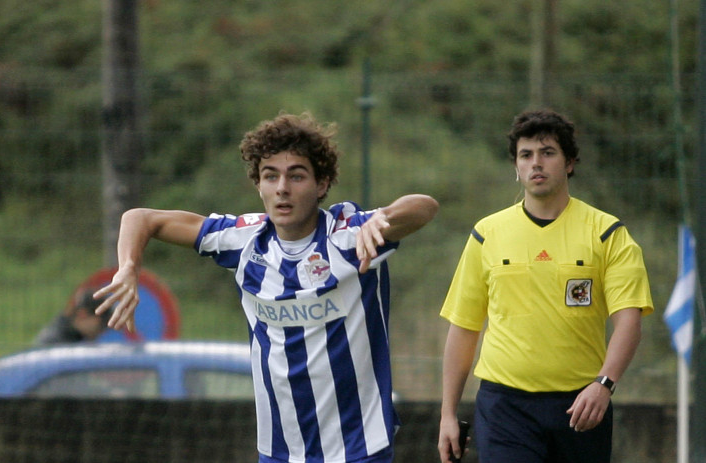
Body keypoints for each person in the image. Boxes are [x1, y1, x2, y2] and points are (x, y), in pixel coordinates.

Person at [94, 112, 439, 463]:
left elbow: (424, 207)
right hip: (280, 452)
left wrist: (385, 218)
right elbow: (140, 218)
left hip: (360, 448)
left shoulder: (350, 236)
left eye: (296, 176)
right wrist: (128, 267)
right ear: (259, 185)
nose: (282, 188)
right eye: (270, 176)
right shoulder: (243, 240)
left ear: (321, 185)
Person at [437, 109, 654, 463]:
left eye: (548, 153)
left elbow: (629, 322)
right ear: (516, 167)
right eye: (526, 155)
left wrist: (604, 385)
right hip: (504, 407)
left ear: (569, 163)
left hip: (581, 406)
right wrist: (447, 414)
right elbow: (463, 327)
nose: (536, 163)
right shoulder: (486, 234)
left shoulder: (607, 233)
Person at [36, 287, 110, 345]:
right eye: (101, 325)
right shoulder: (55, 342)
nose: (102, 331)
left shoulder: (72, 337)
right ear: (83, 314)